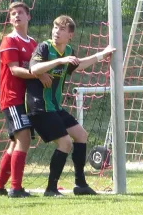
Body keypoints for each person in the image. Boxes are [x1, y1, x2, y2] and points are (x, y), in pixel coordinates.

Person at [27, 15, 115, 197]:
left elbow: (79, 65)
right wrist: (60, 61)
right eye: (55, 27)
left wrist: (101, 55)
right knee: (65, 143)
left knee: (81, 135)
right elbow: (34, 69)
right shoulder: (44, 47)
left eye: (61, 29)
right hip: (40, 108)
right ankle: (51, 189)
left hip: (54, 107)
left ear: (70, 35)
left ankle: (80, 184)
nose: (56, 32)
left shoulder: (68, 50)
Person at [0, 2, 52, 198]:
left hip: (26, 100)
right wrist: (37, 75)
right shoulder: (9, 40)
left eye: (21, 13)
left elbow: (39, 67)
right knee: (24, 138)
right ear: (10, 20)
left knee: (15, 143)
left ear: (28, 17)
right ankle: (16, 188)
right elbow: (15, 70)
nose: (17, 16)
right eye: (13, 14)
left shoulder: (33, 43)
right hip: (12, 98)